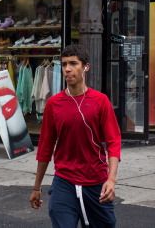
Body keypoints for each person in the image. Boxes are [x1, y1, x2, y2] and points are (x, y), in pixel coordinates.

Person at [30, 44, 121, 227]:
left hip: (95, 182)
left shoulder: (100, 101)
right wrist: (36, 187)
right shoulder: (54, 104)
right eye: (64, 65)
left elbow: (113, 142)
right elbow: (45, 148)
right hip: (64, 182)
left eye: (73, 63)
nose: (67, 69)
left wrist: (111, 179)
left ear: (85, 66)